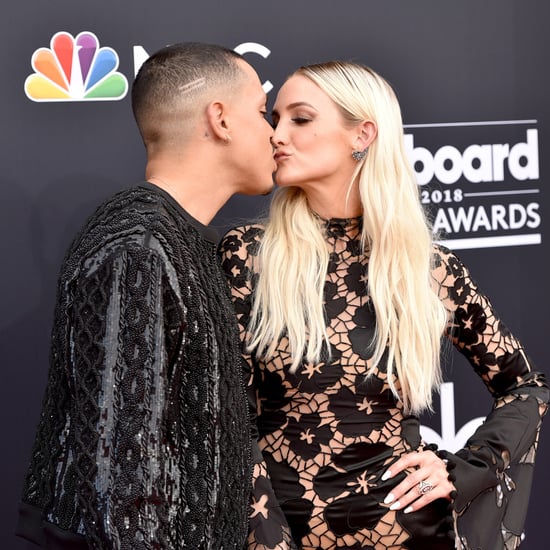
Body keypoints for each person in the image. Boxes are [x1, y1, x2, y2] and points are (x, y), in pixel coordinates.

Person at [219, 60, 549, 549]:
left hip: (413, 533)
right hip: (283, 533)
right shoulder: (248, 255)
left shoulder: (426, 268)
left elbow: (525, 387)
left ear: (363, 134)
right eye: (275, 117)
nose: (276, 134)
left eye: (300, 119)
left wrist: (466, 468)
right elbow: (230, 423)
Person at [16, 42, 277, 549]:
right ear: (220, 119)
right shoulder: (139, 247)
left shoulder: (182, 242)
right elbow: (120, 473)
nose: (273, 134)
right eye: (262, 112)